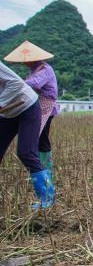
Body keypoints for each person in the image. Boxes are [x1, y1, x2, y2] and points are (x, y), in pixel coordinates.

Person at [0, 60, 55, 209]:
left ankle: (47, 199)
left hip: (27, 106)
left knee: (26, 152)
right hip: (7, 114)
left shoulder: (45, 69)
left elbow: (15, 83)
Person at [5, 40, 59, 177]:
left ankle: (44, 170)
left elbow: (33, 84)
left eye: (26, 60)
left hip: (45, 105)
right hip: (35, 104)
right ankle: (41, 170)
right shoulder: (34, 69)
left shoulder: (44, 69)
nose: (24, 62)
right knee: (39, 138)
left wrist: (17, 84)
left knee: (40, 139)